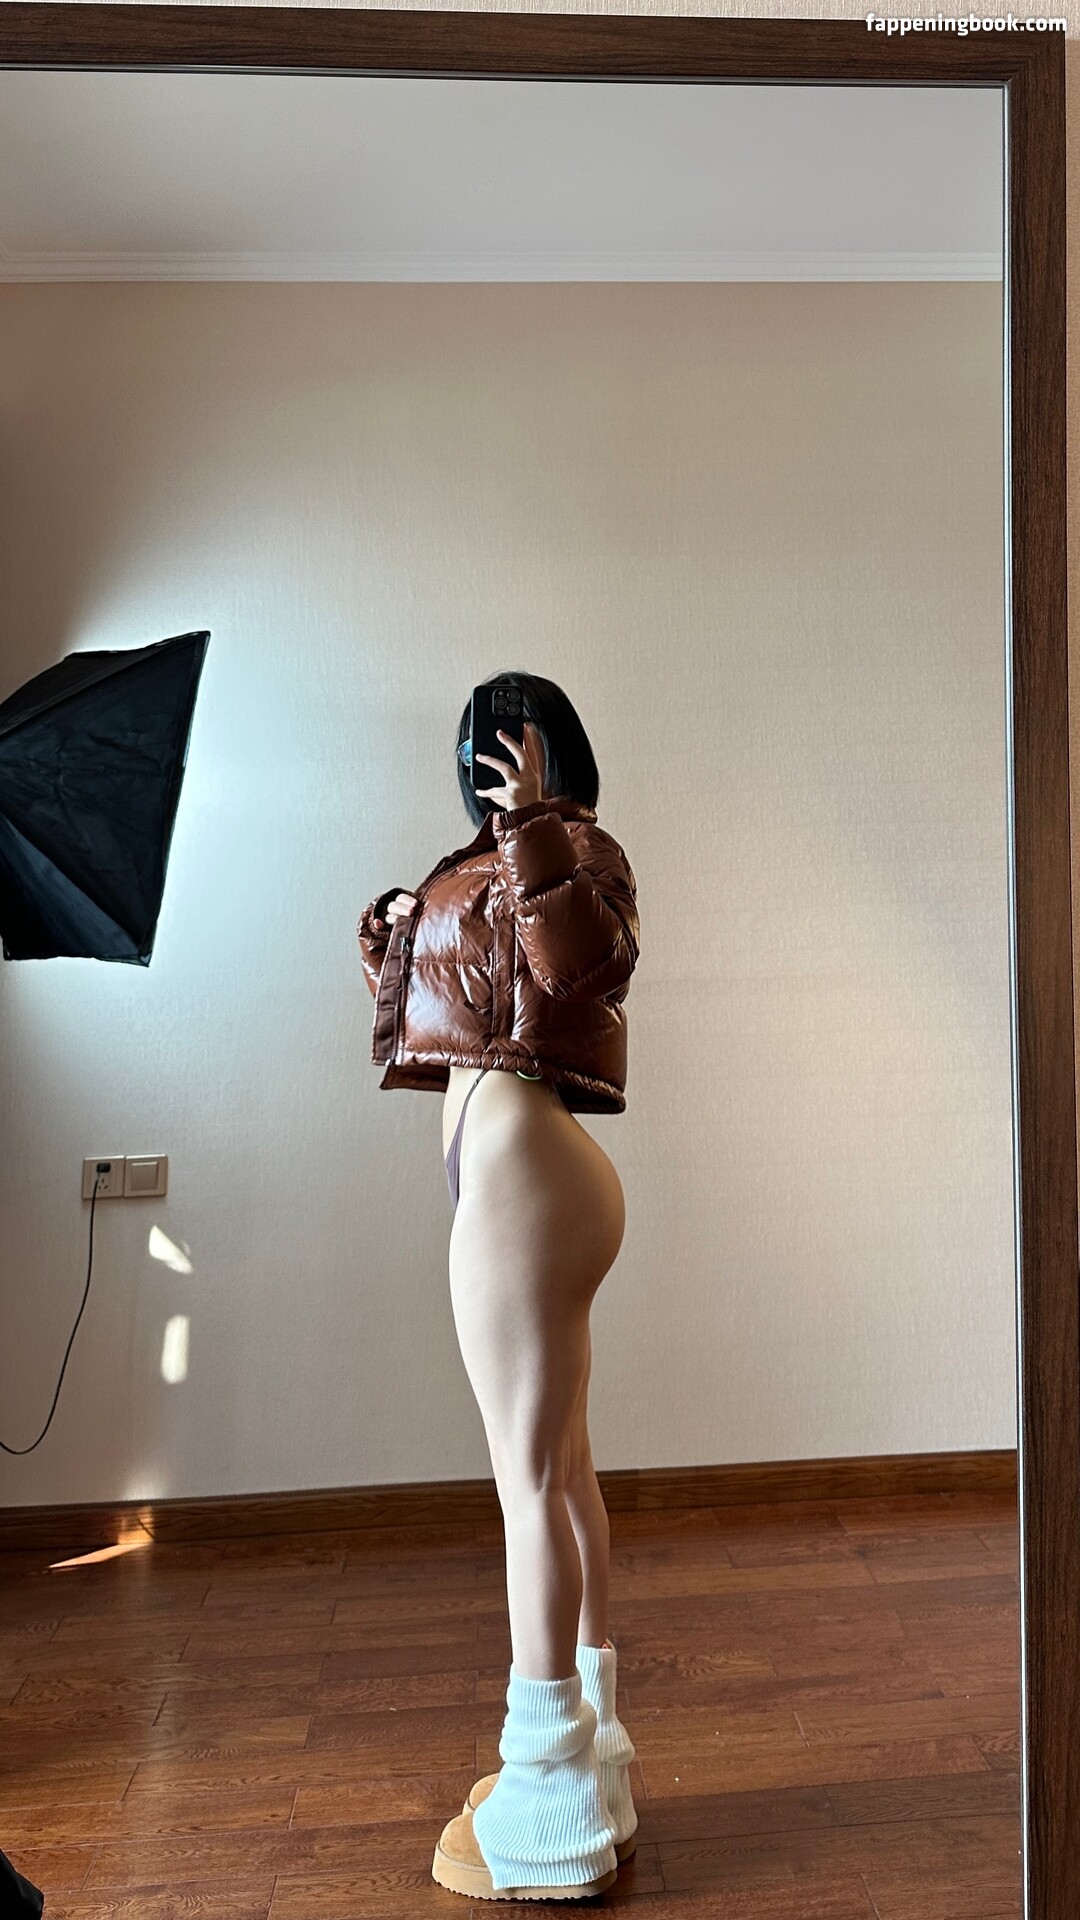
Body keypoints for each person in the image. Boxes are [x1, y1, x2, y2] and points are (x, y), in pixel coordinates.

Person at [357, 670, 641, 1901]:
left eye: (512, 741)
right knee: (560, 1471)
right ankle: (596, 1747)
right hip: (515, 1174)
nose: (491, 761)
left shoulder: (575, 849)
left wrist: (531, 821)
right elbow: (438, 1035)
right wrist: (390, 941)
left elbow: (587, 970)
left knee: (526, 1483)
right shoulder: (477, 866)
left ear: (551, 749)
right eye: (479, 747)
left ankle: (548, 1788)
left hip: (528, 1174)